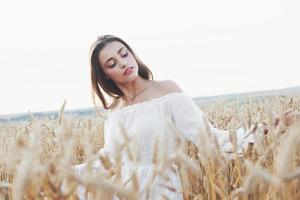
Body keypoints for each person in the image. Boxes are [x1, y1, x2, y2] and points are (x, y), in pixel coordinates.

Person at [71, 35, 295, 200]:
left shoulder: (166, 91)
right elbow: (107, 159)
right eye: (111, 63)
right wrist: (63, 172)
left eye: (124, 53)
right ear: (105, 76)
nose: (122, 63)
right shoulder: (116, 112)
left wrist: (262, 128)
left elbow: (210, 139)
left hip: (163, 188)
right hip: (127, 190)